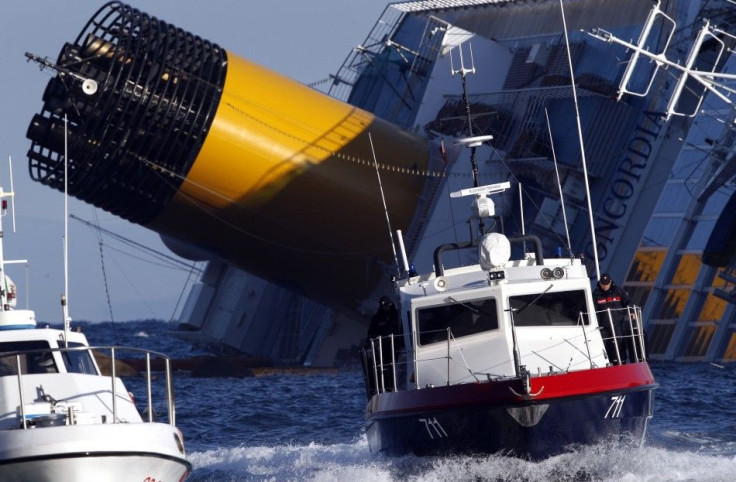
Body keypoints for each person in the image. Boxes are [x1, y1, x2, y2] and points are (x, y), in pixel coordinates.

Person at [593, 273, 636, 364]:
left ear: (610, 282)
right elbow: (594, 309)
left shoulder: (618, 291)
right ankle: (604, 363)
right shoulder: (596, 294)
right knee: (603, 344)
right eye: (603, 284)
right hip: (603, 326)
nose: (605, 286)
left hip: (618, 323)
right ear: (600, 283)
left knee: (620, 342)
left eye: (607, 284)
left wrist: (631, 311)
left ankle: (621, 362)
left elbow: (628, 301)